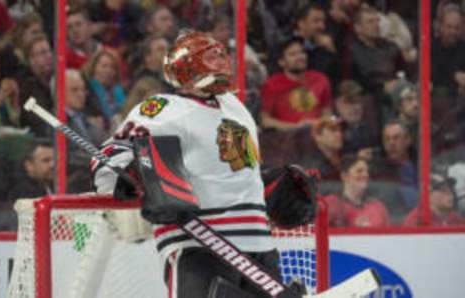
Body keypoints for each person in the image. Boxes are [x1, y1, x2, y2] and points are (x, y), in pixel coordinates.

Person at [91, 30, 317, 298]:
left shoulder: (235, 107)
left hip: (258, 244)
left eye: (222, 56)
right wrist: (130, 175)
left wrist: (266, 185)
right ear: (187, 67)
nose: (221, 62)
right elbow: (107, 158)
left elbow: (233, 169)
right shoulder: (163, 108)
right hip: (197, 245)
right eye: (212, 57)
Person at [260, 36, 332, 131]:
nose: (300, 57)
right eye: (293, 54)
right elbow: (265, 121)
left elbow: (327, 113)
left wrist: (318, 125)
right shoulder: (272, 85)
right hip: (287, 139)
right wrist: (295, 127)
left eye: (302, 52)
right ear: (281, 62)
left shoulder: (320, 79)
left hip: (318, 137)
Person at [323, 155, 390, 227]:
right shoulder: (331, 203)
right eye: (359, 171)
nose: (365, 175)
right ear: (344, 176)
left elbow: (389, 236)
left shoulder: (378, 207)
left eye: (367, 172)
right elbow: (318, 232)